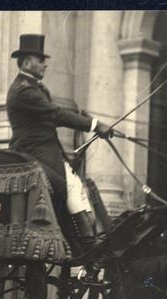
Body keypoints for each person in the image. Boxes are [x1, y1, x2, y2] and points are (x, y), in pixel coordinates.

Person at [6, 34, 113, 253]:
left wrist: (87, 121)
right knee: (70, 188)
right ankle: (82, 247)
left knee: (79, 190)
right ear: (27, 62)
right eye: (40, 59)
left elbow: (54, 114)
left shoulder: (34, 87)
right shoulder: (24, 90)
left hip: (47, 152)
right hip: (32, 153)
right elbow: (55, 114)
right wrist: (94, 124)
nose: (45, 64)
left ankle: (86, 244)